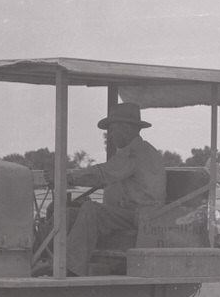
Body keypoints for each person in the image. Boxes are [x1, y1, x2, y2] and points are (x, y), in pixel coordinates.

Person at [61, 103, 166, 274]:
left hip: (144, 216)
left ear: (125, 129)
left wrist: (69, 177)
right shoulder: (132, 152)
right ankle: (55, 260)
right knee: (71, 212)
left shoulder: (136, 153)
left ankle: (69, 270)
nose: (110, 135)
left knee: (91, 210)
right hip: (131, 213)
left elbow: (104, 173)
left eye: (112, 130)